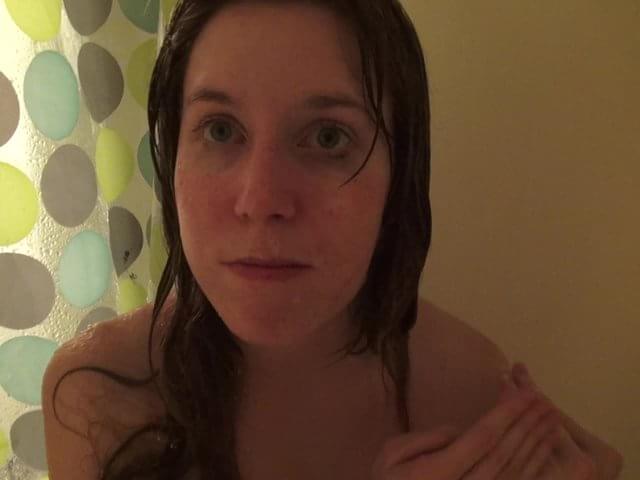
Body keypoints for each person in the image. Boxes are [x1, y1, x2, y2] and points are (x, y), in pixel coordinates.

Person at [41, 1, 624, 479]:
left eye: (327, 137)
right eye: (220, 130)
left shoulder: (469, 391)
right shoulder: (95, 394)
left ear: (399, 175)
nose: (261, 200)